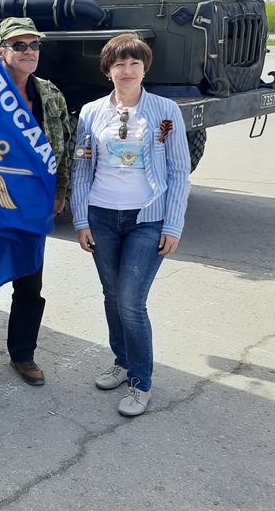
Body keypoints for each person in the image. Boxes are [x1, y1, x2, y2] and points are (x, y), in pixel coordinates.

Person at [70, 33, 191, 416]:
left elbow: (179, 171)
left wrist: (172, 225)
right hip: (102, 216)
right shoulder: (90, 112)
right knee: (111, 295)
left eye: (134, 63)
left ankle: (141, 382)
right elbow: (81, 167)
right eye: (119, 64)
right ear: (108, 70)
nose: (127, 70)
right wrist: (80, 218)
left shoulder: (166, 110)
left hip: (147, 219)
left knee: (131, 302)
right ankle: (122, 363)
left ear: (144, 69)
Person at [0, 17, 71, 398]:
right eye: (19, 45)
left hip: (31, 211)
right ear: (0, 51)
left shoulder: (50, 94)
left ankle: (23, 354)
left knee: (30, 286)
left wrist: (62, 190)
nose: (28, 52)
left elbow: (63, 145)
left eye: (34, 45)